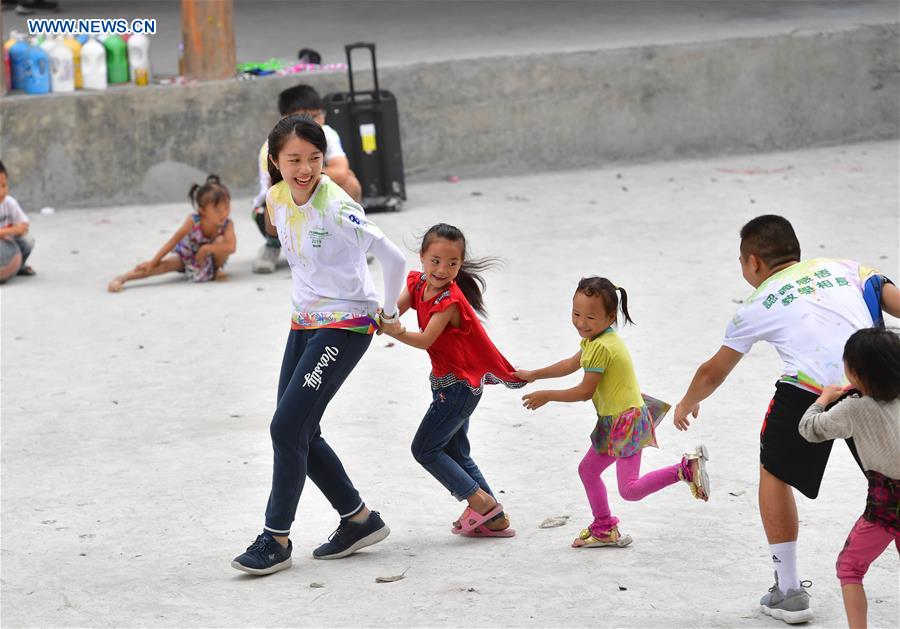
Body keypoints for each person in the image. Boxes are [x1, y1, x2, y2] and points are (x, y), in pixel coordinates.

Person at [672, 215, 899, 624]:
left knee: (773, 471)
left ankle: (789, 591)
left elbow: (713, 371)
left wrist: (687, 402)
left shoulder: (756, 304)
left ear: (753, 262)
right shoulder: (845, 268)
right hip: (879, 381)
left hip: (814, 392)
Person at [231, 115, 406, 575]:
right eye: (294, 160)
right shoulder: (275, 197)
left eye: (314, 159)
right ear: (275, 161)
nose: (305, 168)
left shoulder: (338, 205)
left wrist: (387, 312)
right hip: (304, 322)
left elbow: (393, 256)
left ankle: (276, 539)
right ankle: (359, 520)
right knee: (300, 431)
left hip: (346, 323)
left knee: (286, 429)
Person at [515, 277, 709, 548]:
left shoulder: (602, 347)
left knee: (629, 489)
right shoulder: (596, 339)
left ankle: (684, 470)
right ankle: (604, 527)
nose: (581, 322)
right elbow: (571, 363)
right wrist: (534, 375)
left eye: (590, 317)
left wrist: (548, 396)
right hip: (616, 420)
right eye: (576, 314)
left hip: (626, 423)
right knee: (588, 471)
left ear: (609, 317)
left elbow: (584, 391)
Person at [379, 223, 524, 537]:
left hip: (458, 391)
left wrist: (394, 331)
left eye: (451, 263)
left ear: (460, 265)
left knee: (425, 450)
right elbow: (392, 312)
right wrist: (376, 319)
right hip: (449, 386)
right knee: (457, 454)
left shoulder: (450, 302)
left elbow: (425, 339)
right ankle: (493, 517)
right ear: (422, 258)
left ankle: (480, 503)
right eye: (435, 261)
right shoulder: (418, 285)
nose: (442, 269)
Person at [798, 327, 899, 629]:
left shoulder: (853, 409)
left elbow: (809, 429)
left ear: (854, 373)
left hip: (885, 505)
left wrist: (824, 399)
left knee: (850, 568)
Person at [251, 84, 362, 274]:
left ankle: (351, 239)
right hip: (275, 214)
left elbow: (342, 171)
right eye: (307, 116)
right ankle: (271, 245)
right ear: (287, 118)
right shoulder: (274, 145)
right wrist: (316, 173)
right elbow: (281, 183)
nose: (315, 122)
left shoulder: (327, 134)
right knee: (275, 192)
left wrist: (312, 175)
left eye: (318, 115)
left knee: (350, 181)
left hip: (313, 198)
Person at [107, 175, 235, 292]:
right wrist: (153, 262)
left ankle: (215, 270)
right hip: (187, 255)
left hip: (210, 258)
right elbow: (173, 241)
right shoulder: (193, 220)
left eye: (227, 208)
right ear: (202, 211)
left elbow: (231, 247)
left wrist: (205, 249)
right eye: (218, 210)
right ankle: (123, 278)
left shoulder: (227, 224)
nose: (224, 214)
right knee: (161, 266)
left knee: (220, 241)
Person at [0, 160, 36, 283]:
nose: (1, 192)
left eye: (4, 185)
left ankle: (19, 266)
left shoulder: (10, 203)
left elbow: (24, 226)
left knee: (28, 240)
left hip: (8, 241)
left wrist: (5, 232)